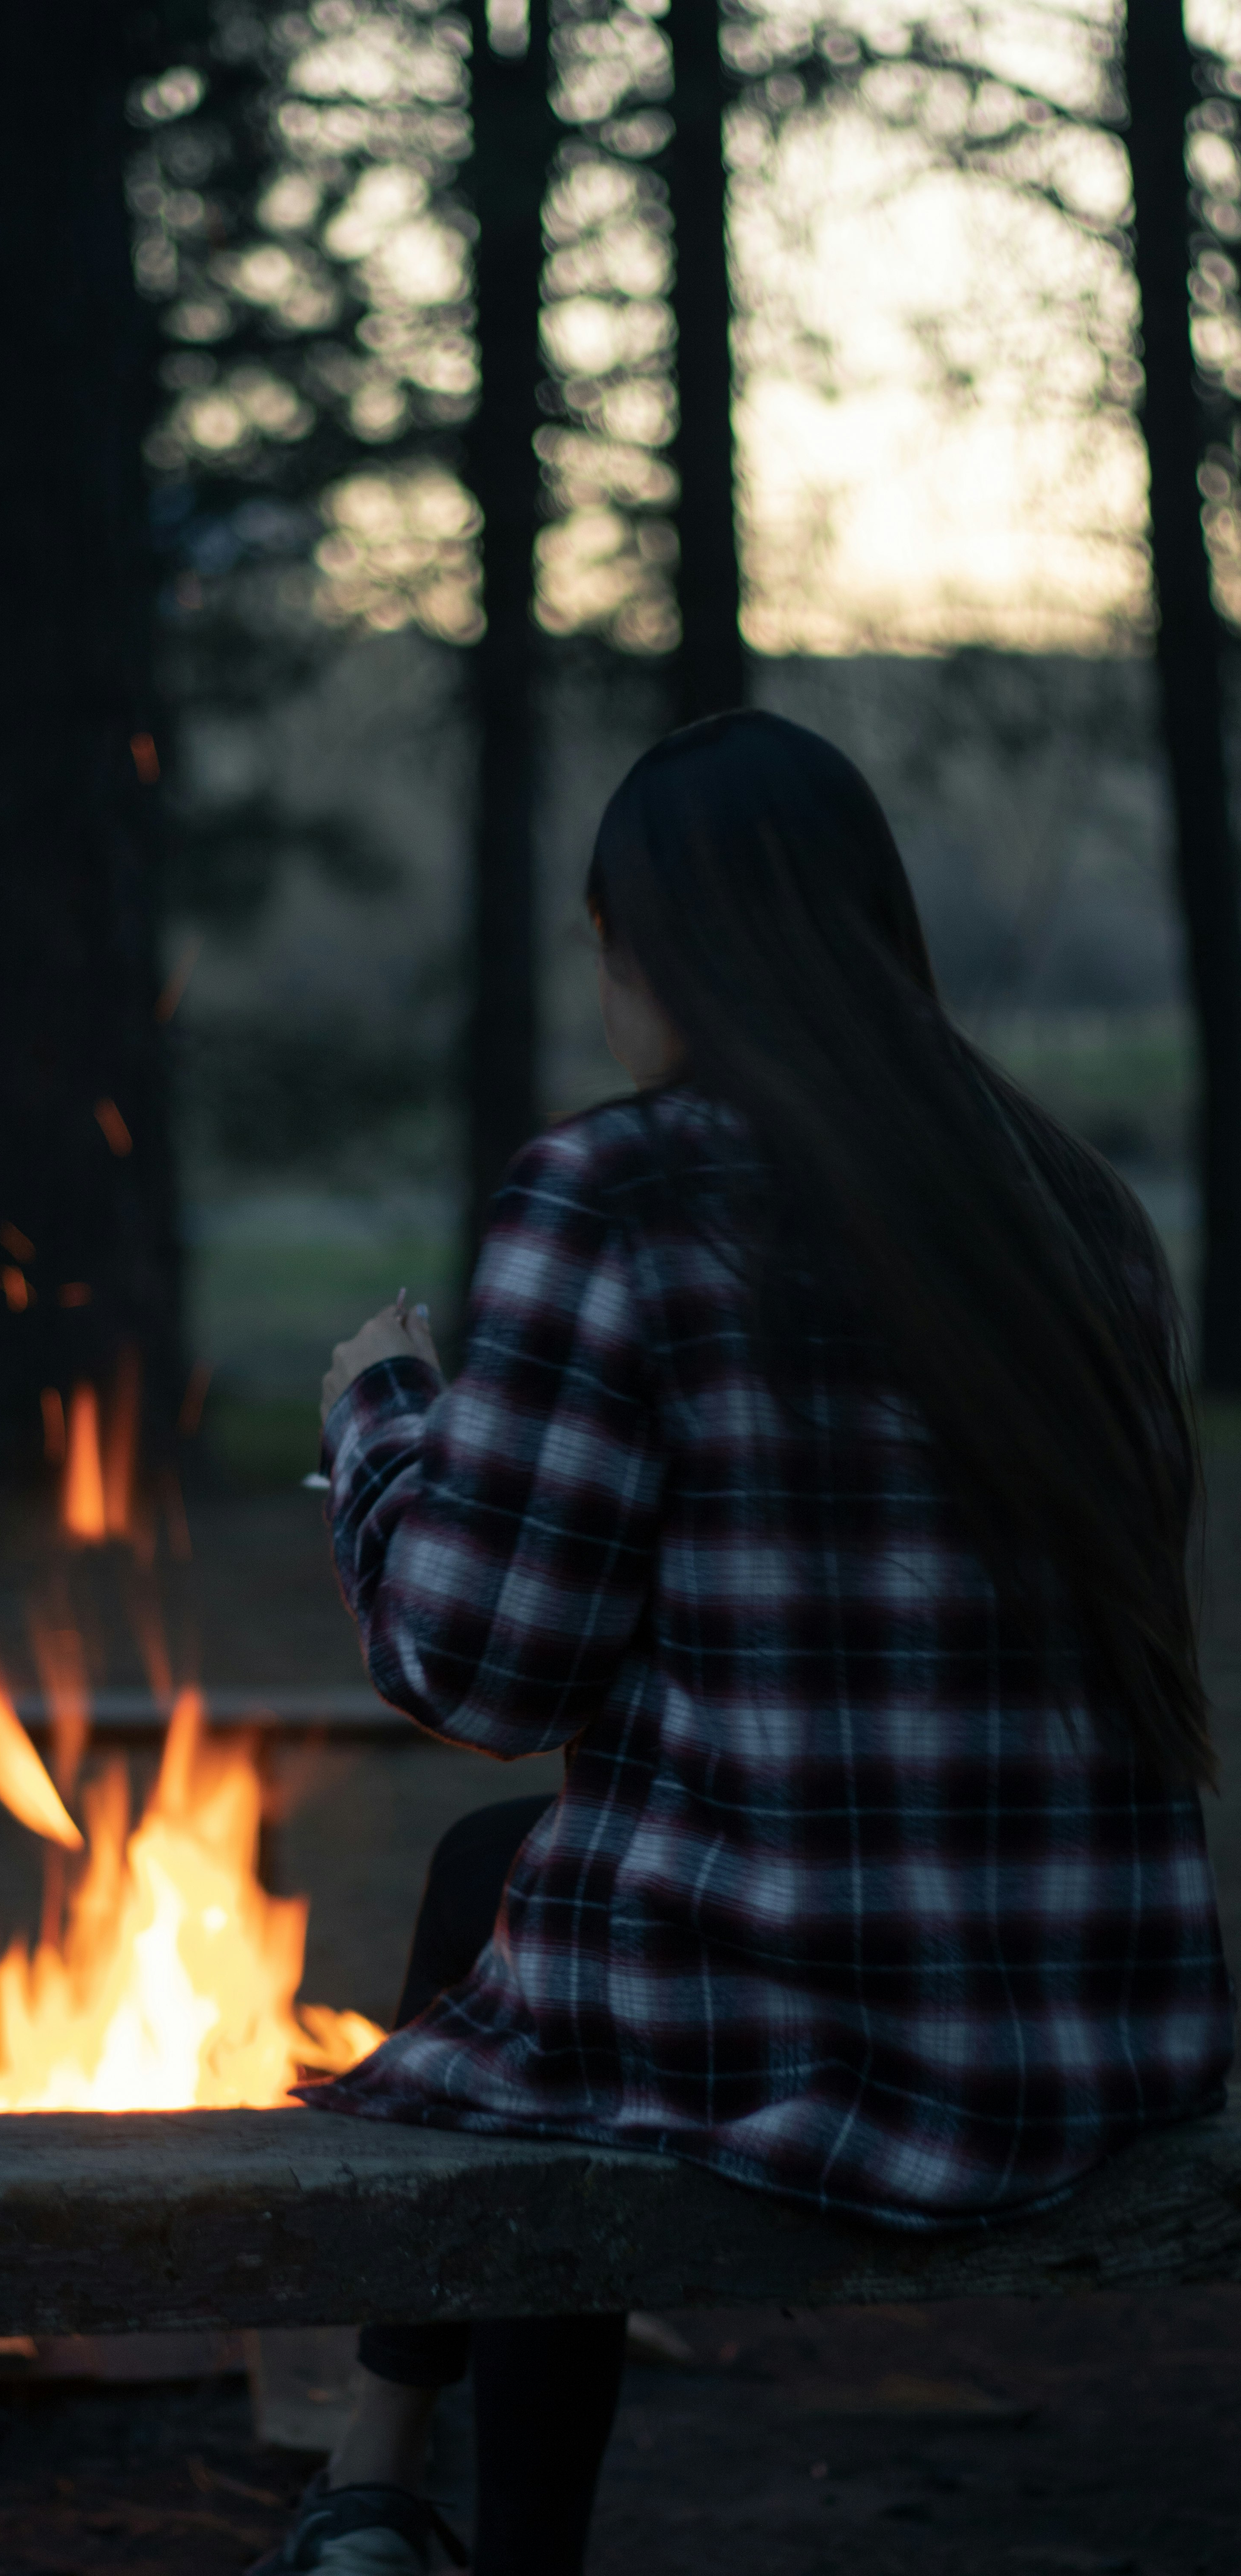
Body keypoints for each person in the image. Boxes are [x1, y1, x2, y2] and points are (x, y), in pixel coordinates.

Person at [252, 710, 1234, 2576]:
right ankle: (376, 2482)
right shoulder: (1073, 1206)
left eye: (608, 947)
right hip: (1099, 2021)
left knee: (524, 1929)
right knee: (505, 1891)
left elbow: (476, 1676)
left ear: (651, 948)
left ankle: (398, 2505)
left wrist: (385, 1418)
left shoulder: (615, 1194)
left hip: (824, 2030)